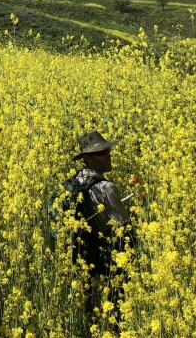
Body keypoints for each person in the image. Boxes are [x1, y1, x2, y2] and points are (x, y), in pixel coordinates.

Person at [70, 130, 132, 327]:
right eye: (100, 153)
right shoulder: (107, 188)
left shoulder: (76, 180)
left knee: (92, 311)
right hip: (108, 260)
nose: (107, 156)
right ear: (87, 158)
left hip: (84, 256)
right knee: (115, 314)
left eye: (107, 151)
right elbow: (123, 228)